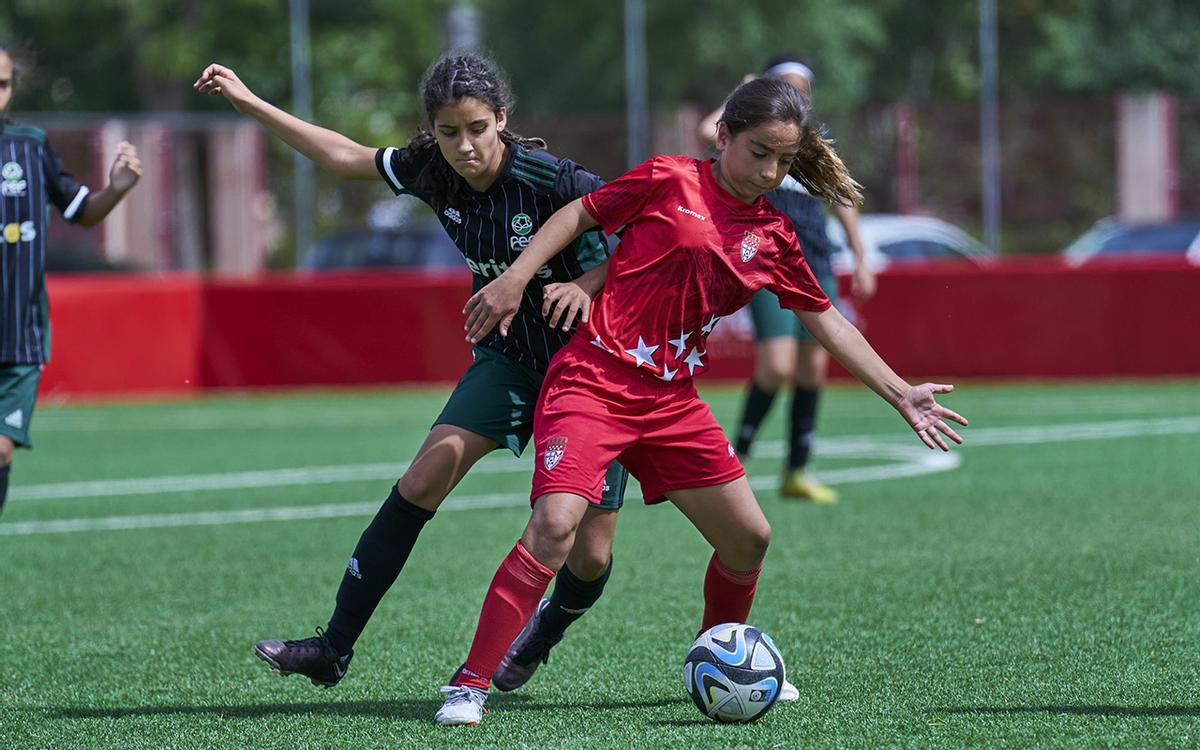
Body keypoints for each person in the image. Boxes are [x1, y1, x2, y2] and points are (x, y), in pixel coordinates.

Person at [434, 76, 967, 726]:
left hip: (671, 403)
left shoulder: (772, 233)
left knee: (749, 538)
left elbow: (827, 321)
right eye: (759, 152)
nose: (769, 171)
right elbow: (581, 213)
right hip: (593, 381)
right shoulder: (668, 177)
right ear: (724, 137)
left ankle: (722, 656)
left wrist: (899, 393)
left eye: (784, 160)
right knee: (555, 528)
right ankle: (469, 685)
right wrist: (519, 277)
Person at [193, 53, 629, 688]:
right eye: (448, 132)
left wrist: (588, 283)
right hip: (509, 360)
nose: (464, 145)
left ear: (501, 120)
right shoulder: (432, 169)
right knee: (424, 476)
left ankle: (544, 631)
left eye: (478, 128)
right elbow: (343, 155)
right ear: (432, 130)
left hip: (588, 365)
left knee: (588, 555)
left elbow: (646, 237)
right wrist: (250, 102)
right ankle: (332, 648)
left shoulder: (553, 178)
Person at [698, 54, 876, 503]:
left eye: (803, 87)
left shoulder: (809, 145)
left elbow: (842, 197)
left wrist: (860, 256)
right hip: (761, 255)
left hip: (813, 257)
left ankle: (797, 470)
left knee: (813, 368)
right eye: (785, 84)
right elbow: (708, 132)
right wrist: (743, 90)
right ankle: (736, 454)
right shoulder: (758, 138)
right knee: (776, 366)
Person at [0, 43, 141, 516]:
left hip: (19, 339)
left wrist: (117, 187)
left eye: (3, 84)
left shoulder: (31, 146)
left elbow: (81, 211)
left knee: (1, 449)